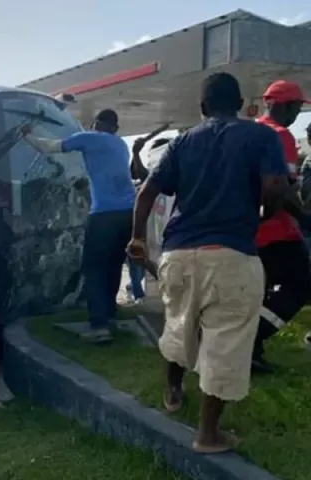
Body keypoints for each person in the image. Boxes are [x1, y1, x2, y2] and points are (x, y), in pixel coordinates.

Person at [127, 72, 298, 453]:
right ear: (241, 104)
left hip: (178, 253)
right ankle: (208, 434)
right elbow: (275, 188)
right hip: (231, 254)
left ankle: (173, 392)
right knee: (226, 341)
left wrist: (137, 238)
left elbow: (146, 191)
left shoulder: (183, 142)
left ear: (203, 108)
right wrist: (261, 217)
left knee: (178, 327)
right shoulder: (261, 136)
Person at [24, 109, 135, 343]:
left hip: (104, 213)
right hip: (128, 214)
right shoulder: (121, 145)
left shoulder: (89, 138)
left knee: (94, 268)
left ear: (95, 124)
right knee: (113, 265)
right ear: (116, 127)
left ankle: (99, 326)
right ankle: (109, 314)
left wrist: (28, 136)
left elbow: (49, 147)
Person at [251, 80, 311, 373]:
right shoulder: (280, 136)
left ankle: (252, 350)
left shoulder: (251, 132)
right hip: (277, 231)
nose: (297, 114)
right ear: (279, 104)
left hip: (250, 231)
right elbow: (281, 191)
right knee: (300, 284)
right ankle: (252, 340)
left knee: (257, 293)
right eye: (295, 107)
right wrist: (305, 218)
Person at [126, 137, 172, 303]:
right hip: (155, 233)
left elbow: (142, 176)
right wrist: (136, 154)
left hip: (165, 235)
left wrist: (136, 153)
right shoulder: (157, 179)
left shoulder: (170, 177)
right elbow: (140, 174)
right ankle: (139, 292)